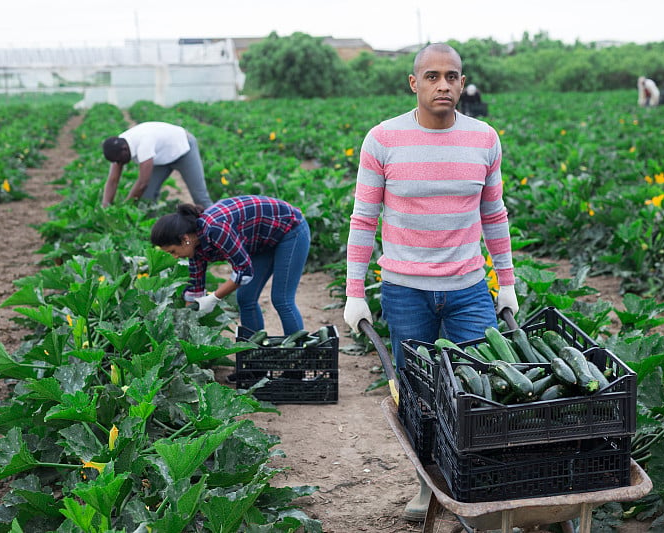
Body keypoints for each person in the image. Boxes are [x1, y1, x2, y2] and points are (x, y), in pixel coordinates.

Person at [342, 42, 518, 523]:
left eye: (453, 76)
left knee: (480, 388)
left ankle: (473, 482)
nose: (444, 85)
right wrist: (354, 291)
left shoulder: (484, 139)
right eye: (434, 76)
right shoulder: (382, 139)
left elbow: (494, 214)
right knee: (417, 394)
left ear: (463, 83)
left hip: (467, 287)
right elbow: (364, 219)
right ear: (414, 83)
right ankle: (426, 486)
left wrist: (507, 282)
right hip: (404, 289)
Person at [150, 195, 311, 338]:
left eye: (173, 251)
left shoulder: (216, 229)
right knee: (245, 298)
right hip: (262, 240)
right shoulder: (194, 246)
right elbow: (195, 288)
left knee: (281, 299)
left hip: (290, 229)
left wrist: (213, 298)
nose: (175, 257)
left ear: (184, 238)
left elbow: (244, 272)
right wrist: (187, 320)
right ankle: (253, 356)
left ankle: (298, 359)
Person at [102, 121, 213, 208]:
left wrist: (126, 207)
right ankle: (152, 229)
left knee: (200, 197)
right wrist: (106, 206)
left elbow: (142, 183)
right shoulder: (117, 147)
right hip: (161, 156)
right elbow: (113, 180)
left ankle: (219, 225)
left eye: (119, 161)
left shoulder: (144, 144)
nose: (118, 164)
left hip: (183, 149)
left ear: (125, 150)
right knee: (147, 198)